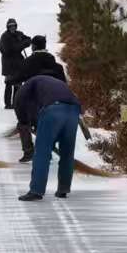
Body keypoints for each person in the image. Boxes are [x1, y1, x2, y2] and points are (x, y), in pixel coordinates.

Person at [15, 72, 84, 201]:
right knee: (67, 152)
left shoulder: (24, 89)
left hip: (53, 109)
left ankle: (36, 190)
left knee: (42, 152)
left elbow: (20, 106)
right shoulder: (51, 83)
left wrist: (24, 122)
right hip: (73, 110)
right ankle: (63, 189)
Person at [14, 36, 65, 162]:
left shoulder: (28, 62)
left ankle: (28, 151)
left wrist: (12, 80)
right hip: (53, 100)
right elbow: (63, 83)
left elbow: (17, 77)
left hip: (33, 99)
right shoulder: (56, 65)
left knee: (23, 123)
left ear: (34, 46)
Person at [0, 18, 32, 108]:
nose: (12, 28)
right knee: (9, 83)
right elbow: (9, 50)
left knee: (18, 83)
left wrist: (23, 42)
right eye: (10, 26)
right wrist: (22, 44)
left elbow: (29, 40)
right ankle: (8, 104)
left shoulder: (19, 34)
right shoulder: (4, 37)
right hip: (8, 64)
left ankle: (16, 103)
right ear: (8, 27)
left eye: (14, 26)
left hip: (18, 62)